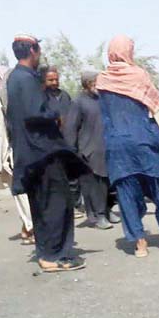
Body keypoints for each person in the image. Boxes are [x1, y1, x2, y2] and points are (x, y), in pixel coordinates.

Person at [96, 35, 159, 258]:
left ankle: (140, 244)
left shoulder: (102, 81)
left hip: (117, 145)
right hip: (144, 139)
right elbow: (154, 103)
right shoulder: (138, 75)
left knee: (126, 193)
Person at [6, 34, 87, 272]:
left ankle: (46, 254)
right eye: (38, 48)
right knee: (56, 203)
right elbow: (34, 113)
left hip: (31, 154)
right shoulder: (27, 79)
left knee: (42, 205)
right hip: (43, 153)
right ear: (33, 50)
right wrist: (55, 115)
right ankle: (55, 256)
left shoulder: (15, 78)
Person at [0, 65, 34, 244]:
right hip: (28, 149)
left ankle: (31, 229)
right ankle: (27, 229)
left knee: (21, 195)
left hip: (11, 155)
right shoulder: (20, 96)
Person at [63, 71, 114, 230]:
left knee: (107, 182)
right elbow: (71, 128)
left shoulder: (102, 99)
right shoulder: (78, 102)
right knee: (94, 185)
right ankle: (98, 216)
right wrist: (72, 153)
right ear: (87, 84)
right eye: (95, 82)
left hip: (105, 147)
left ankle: (107, 210)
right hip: (88, 150)